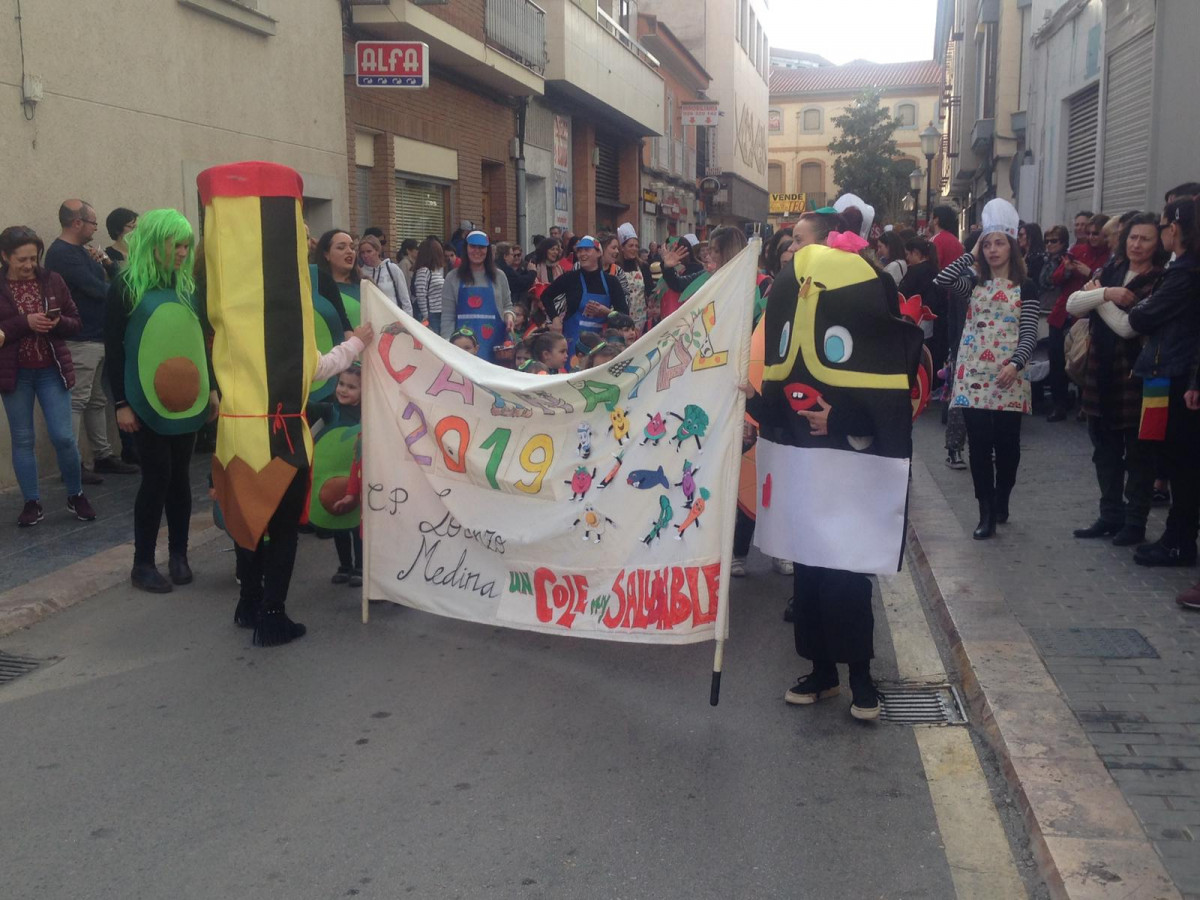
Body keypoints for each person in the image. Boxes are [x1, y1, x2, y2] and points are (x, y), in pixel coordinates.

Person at [105, 209, 217, 591]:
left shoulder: (189, 289)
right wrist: (121, 402)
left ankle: (179, 555)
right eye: (178, 244)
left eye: (188, 245)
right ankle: (142, 564)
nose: (185, 252)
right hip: (143, 401)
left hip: (187, 401)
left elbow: (201, 342)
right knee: (157, 478)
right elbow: (115, 349)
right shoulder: (125, 287)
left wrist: (211, 389)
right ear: (157, 243)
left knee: (180, 479)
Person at [1104, 197, 1200, 570]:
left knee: (1179, 463)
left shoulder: (1184, 273)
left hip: (1176, 375)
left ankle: (1179, 541)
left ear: (1173, 229)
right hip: (1163, 371)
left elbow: (1141, 318)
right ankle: (1175, 536)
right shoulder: (1179, 270)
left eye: (1158, 228)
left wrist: (1106, 299)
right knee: (1169, 457)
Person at [935, 199, 1040, 539]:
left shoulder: (1027, 286)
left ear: (1012, 246)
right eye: (988, 244)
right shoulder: (974, 282)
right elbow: (942, 279)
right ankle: (985, 512)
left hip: (1009, 375)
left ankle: (1003, 496)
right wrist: (972, 250)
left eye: (1000, 243)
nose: (994, 250)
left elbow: (1029, 332)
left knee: (1007, 447)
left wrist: (1016, 363)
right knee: (979, 446)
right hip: (973, 375)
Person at [1066, 212, 1166, 548]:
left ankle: (1135, 521)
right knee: (1103, 451)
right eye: (1133, 237)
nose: (1137, 244)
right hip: (1100, 372)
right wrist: (1108, 293)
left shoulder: (1159, 280)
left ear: (1158, 244)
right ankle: (1110, 514)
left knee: (1138, 455)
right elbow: (1073, 304)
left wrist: (1099, 298)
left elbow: (1129, 327)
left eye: (1146, 239)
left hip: (1136, 377)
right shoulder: (1109, 271)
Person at [0, 225, 96, 527]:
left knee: (64, 437)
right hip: (15, 374)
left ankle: (75, 493)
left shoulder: (52, 280)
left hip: (52, 370)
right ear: (4, 257)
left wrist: (56, 323)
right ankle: (32, 502)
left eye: (34, 258)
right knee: (23, 439)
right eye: (22, 260)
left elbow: (76, 322)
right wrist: (26, 322)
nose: (29, 265)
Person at [44, 200, 139, 482]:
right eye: (93, 223)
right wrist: (120, 290)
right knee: (77, 400)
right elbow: (97, 290)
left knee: (96, 400)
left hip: (97, 336)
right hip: (81, 338)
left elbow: (103, 283)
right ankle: (71, 464)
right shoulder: (62, 254)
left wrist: (106, 265)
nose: (96, 229)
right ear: (77, 223)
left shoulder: (82, 252)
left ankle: (104, 456)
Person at [1047, 214, 1110, 421]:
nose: (1090, 236)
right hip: (1062, 312)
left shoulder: (1109, 257)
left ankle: (1085, 403)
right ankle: (1059, 403)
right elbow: (1054, 279)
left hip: (1085, 316)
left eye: (1095, 233)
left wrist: (1088, 272)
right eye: (1087, 231)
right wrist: (1066, 269)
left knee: (1082, 360)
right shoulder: (1076, 251)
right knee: (1056, 360)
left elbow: (1106, 284)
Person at [310, 365, 364, 587]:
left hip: (357, 478)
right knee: (338, 521)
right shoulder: (329, 409)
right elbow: (304, 407)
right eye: (341, 384)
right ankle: (345, 565)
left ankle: (361, 566)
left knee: (356, 524)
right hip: (332, 479)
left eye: (351, 387)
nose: (343, 390)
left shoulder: (368, 414)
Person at [540, 235, 628, 353]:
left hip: (601, 347)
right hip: (573, 345)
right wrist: (555, 319)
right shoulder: (570, 278)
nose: (582, 254)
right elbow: (546, 296)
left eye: (587, 250)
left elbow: (624, 315)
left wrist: (607, 312)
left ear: (598, 253)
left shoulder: (611, 282)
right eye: (579, 251)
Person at [440, 231, 516, 361]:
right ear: (466, 249)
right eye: (473, 246)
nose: (477, 251)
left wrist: (509, 316)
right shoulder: (452, 277)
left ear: (488, 250)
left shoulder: (499, 276)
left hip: (494, 345)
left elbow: (507, 306)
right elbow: (447, 315)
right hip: (462, 349)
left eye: (481, 247)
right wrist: (447, 344)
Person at [316, 229, 363, 327]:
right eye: (341, 248)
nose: (349, 251)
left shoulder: (366, 286)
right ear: (326, 254)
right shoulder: (317, 289)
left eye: (352, 247)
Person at [898, 237, 940, 344]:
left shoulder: (915, 271)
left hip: (913, 317)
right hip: (930, 318)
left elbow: (903, 291)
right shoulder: (935, 269)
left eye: (908, 254)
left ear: (916, 253)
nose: (907, 258)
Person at [358, 234, 413, 316]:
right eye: (362, 252)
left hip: (394, 318)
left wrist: (408, 321)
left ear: (377, 251)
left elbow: (405, 299)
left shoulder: (392, 269)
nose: (365, 255)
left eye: (369, 251)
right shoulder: (360, 273)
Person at [615, 223, 653, 333]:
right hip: (622, 319)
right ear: (622, 247)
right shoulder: (616, 267)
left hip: (641, 318)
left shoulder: (643, 267)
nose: (634, 249)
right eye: (630, 246)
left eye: (636, 246)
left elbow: (650, 291)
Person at [411, 236, 445, 333]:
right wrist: (425, 315)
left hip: (439, 312)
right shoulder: (423, 271)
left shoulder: (435, 271)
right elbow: (421, 294)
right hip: (431, 314)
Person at [1018, 222, 1046, 288]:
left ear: (1031, 236)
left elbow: (1037, 281)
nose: (1018, 237)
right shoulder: (1022, 254)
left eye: (1021, 235)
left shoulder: (1039, 258)